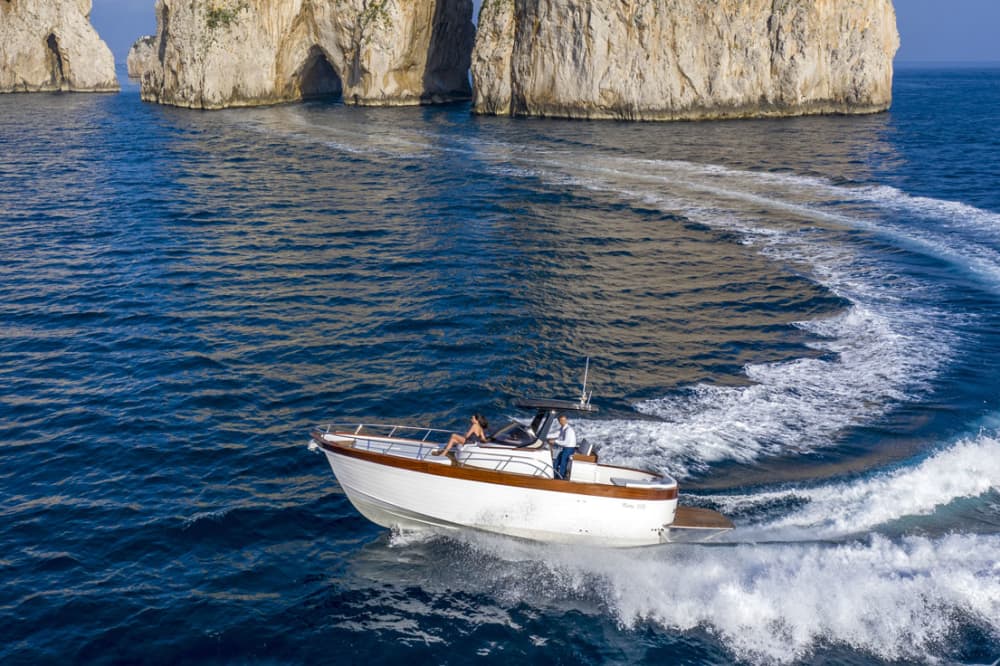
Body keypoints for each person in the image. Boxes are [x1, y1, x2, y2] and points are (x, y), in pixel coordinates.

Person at [548, 413, 577, 480]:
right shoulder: (563, 428)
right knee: (556, 461)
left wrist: (555, 441)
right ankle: (554, 475)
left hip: (569, 449)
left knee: (563, 463)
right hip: (565, 448)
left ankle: (561, 478)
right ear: (559, 421)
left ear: (566, 420)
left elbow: (565, 443)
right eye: (561, 421)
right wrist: (544, 436)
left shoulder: (568, 430)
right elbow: (556, 434)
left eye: (564, 420)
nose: (562, 422)